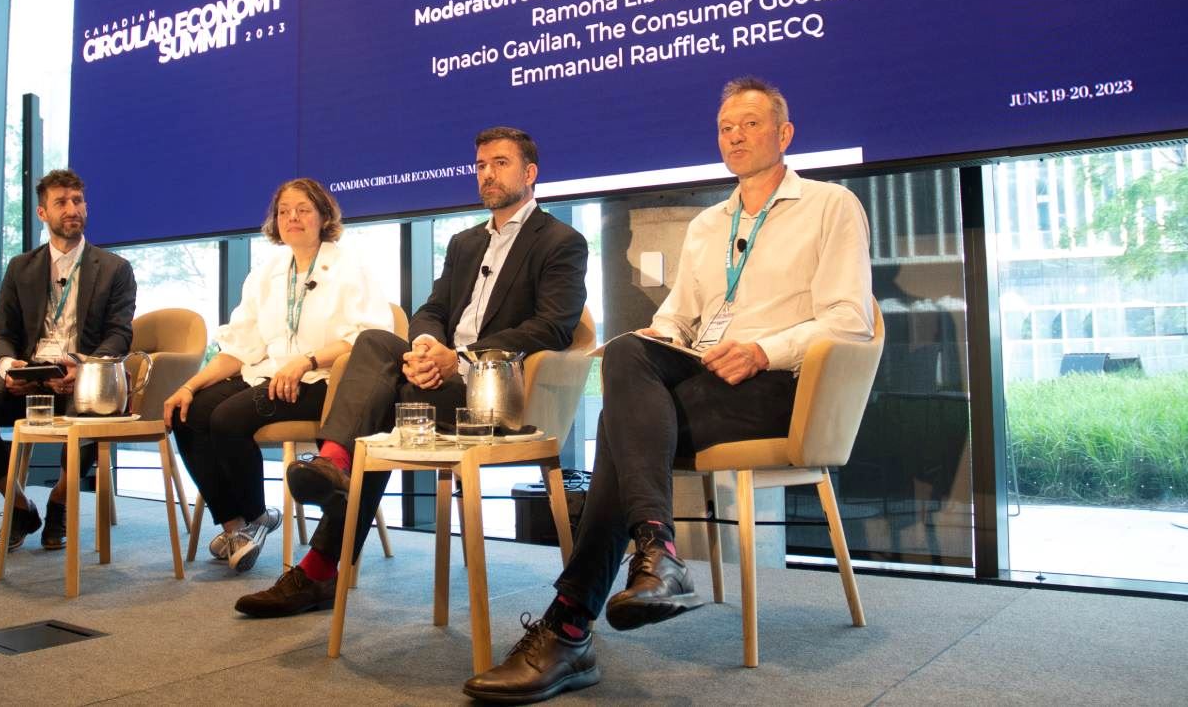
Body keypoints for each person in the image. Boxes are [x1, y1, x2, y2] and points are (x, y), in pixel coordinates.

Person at [464, 78, 874, 703]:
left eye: (750, 124)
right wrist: (658, 336)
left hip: (782, 386)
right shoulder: (711, 223)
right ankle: (651, 557)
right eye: (725, 127)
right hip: (706, 380)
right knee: (631, 352)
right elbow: (679, 316)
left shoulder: (830, 205)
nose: (734, 136)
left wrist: (767, 348)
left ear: (784, 134)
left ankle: (573, 625)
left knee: (619, 430)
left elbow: (852, 316)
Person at [234, 126, 589, 618]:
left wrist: (461, 358)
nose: (488, 173)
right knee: (377, 341)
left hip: (492, 391)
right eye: (481, 164)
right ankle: (333, 465)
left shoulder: (561, 241)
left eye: (501, 163)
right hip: (436, 378)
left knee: (374, 417)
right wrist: (425, 345)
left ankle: (318, 563)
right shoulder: (465, 243)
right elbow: (432, 309)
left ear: (530, 173)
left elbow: (553, 326)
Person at [163, 179, 392, 573]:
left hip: (325, 381)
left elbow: (369, 339)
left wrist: (305, 360)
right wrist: (187, 386)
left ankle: (255, 517)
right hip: (272, 375)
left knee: (227, 418)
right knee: (189, 413)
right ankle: (236, 526)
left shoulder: (350, 268)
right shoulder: (266, 272)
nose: (292, 218)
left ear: (323, 215)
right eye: (284, 210)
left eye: (303, 209)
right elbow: (240, 347)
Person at [0, 169, 137, 555]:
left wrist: (84, 370)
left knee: (94, 409)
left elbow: (120, 335)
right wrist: (9, 367)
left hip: (80, 380)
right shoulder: (21, 268)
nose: (72, 209)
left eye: (78, 201)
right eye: (62, 202)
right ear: (42, 212)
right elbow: (1, 335)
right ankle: (19, 507)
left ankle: (59, 503)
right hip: (30, 378)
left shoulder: (115, 268)